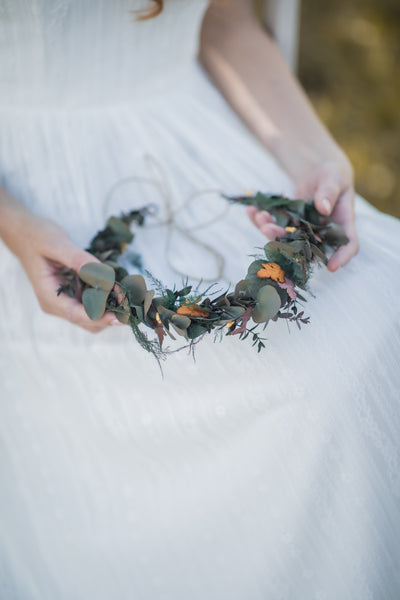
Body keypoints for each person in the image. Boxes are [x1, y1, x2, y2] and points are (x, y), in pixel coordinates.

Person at [0, 1, 399, 598]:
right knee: (303, 392)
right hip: (29, 190)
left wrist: (314, 156)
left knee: (376, 319)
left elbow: (226, 19)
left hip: (194, 141)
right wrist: (14, 226)